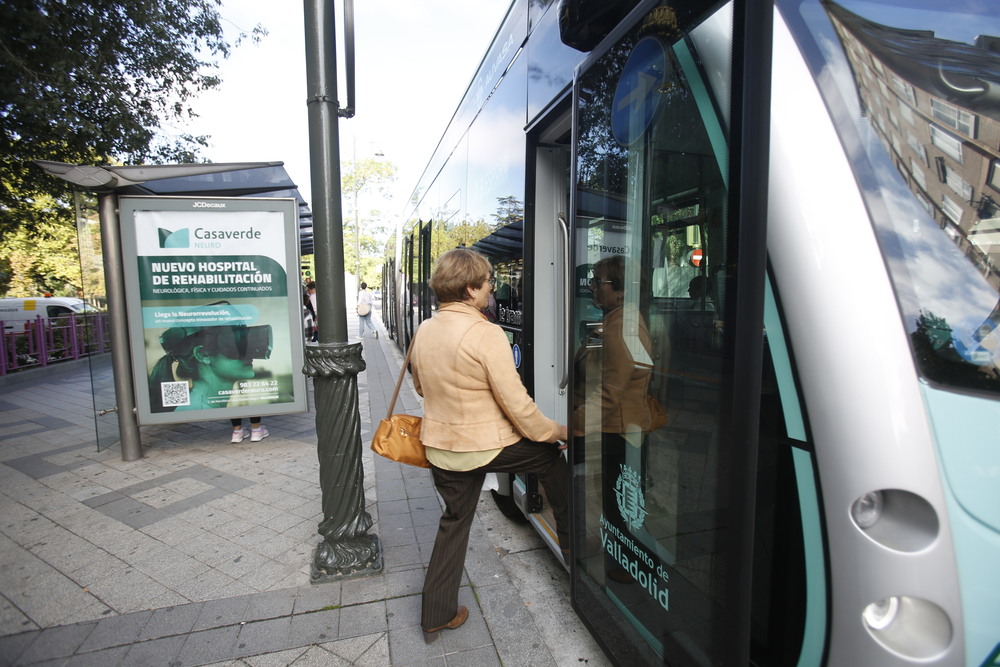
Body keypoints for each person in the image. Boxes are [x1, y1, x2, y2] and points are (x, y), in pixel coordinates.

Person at [409, 248, 569, 644]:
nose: (492, 290)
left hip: (442, 448)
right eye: (488, 283)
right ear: (470, 289)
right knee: (549, 458)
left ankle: (436, 615)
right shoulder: (485, 332)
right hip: (485, 448)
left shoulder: (425, 329)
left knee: (454, 522)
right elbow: (518, 407)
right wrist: (556, 430)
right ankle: (581, 559)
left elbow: (420, 387)